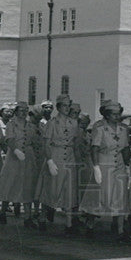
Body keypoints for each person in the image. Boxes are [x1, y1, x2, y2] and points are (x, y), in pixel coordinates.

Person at [80, 100, 131, 237]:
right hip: (104, 162)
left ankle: (120, 229)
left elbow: (126, 148)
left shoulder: (123, 129)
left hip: (119, 163)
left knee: (120, 195)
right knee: (100, 195)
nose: (117, 116)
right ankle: (90, 223)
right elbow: (95, 148)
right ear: (107, 115)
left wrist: (128, 165)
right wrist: (96, 167)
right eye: (114, 114)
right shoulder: (100, 127)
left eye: (119, 114)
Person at [37, 94, 79, 234]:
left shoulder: (74, 123)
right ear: (59, 107)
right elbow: (46, 143)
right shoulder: (52, 123)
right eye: (64, 106)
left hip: (70, 157)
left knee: (69, 189)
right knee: (51, 188)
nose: (67, 109)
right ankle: (42, 218)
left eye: (68, 106)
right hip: (56, 156)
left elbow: (76, 143)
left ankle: (69, 223)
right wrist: (49, 160)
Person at [0, 101, 31, 223]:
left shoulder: (29, 125)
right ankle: (3, 212)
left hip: (26, 159)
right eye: (21, 110)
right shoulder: (11, 124)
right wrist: (16, 151)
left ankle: (27, 216)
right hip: (14, 158)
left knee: (26, 185)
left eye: (26, 110)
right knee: (9, 184)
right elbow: (9, 139)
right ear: (16, 111)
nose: (24, 113)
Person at [24, 104, 46, 226]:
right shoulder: (26, 127)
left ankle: (37, 211)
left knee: (40, 186)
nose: (38, 118)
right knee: (28, 186)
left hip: (41, 158)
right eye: (36, 115)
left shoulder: (43, 127)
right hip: (30, 158)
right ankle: (27, 215)